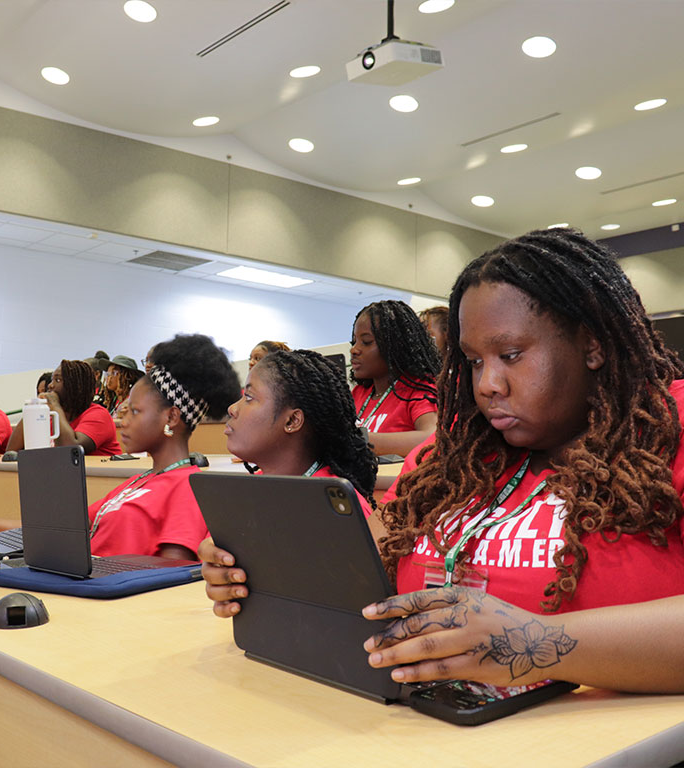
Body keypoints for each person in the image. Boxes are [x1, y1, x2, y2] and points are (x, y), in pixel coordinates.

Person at [202, 228, 684, 693]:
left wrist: (534, 643)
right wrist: (257, 564)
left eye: (511, 354)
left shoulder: (667, 429)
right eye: (474, 361)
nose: (487, 384)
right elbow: (365, 562)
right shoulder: (451, 456)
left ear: (593, 345)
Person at [0, 334, 241, 559]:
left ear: (172, 417)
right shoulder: (136, 482)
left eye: (135, 411)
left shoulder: (188, 487)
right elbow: (58, 528)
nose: (122, 419)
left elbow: (172, 575)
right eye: (124, 409)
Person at [223, 348, 378, 512]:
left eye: (249, 397)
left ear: (292, 421)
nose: (232, 409)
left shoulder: (337, 508)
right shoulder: (247, 491)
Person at [350, 300, 440, 456]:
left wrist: (360, 441)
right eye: (354, 341)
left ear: (395, 346)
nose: (354, 349)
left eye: (366, 342)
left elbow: (432, 438)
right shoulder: (359, 393)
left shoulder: (419, 389)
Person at [8, 359, 121, 456]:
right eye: (52, 380)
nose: (50, 385)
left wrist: (55, 405)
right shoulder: (51, 416)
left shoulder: (98, 415)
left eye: (58, 380)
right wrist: (33, 410)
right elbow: (11, 452)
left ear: (77, 387)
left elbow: (70, 451)